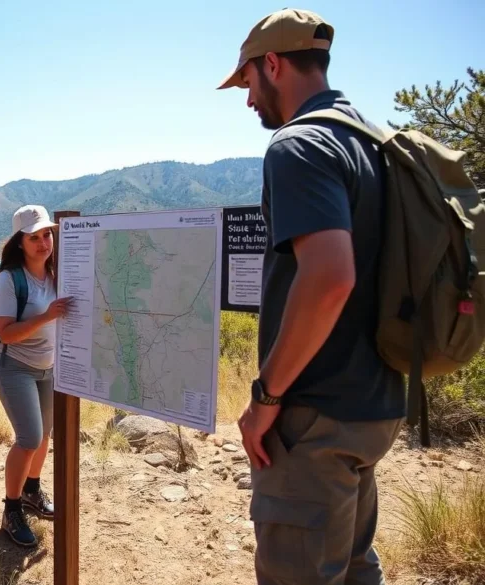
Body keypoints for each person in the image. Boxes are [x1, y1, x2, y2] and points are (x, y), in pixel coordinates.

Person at [217, 8, 405, 585]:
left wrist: (266, 396)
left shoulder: (297, 146)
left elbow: (329, 279)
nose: (249, 99)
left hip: (315, 417)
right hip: (374, 404)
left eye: (248, 81)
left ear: (272, 64)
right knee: (351, 566)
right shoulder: (372, 144)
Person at [0, 204, 72, 547]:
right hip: (14, 365)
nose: (43, 243)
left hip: (47, 365)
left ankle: (32, 491)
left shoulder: (57, 272)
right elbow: (5, 333)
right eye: (34, 237)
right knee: (29, 438)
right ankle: (11, 510)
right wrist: (47, 316)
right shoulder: (9, 279)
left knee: (44, 436)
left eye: (46, 235)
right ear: (20, 242)